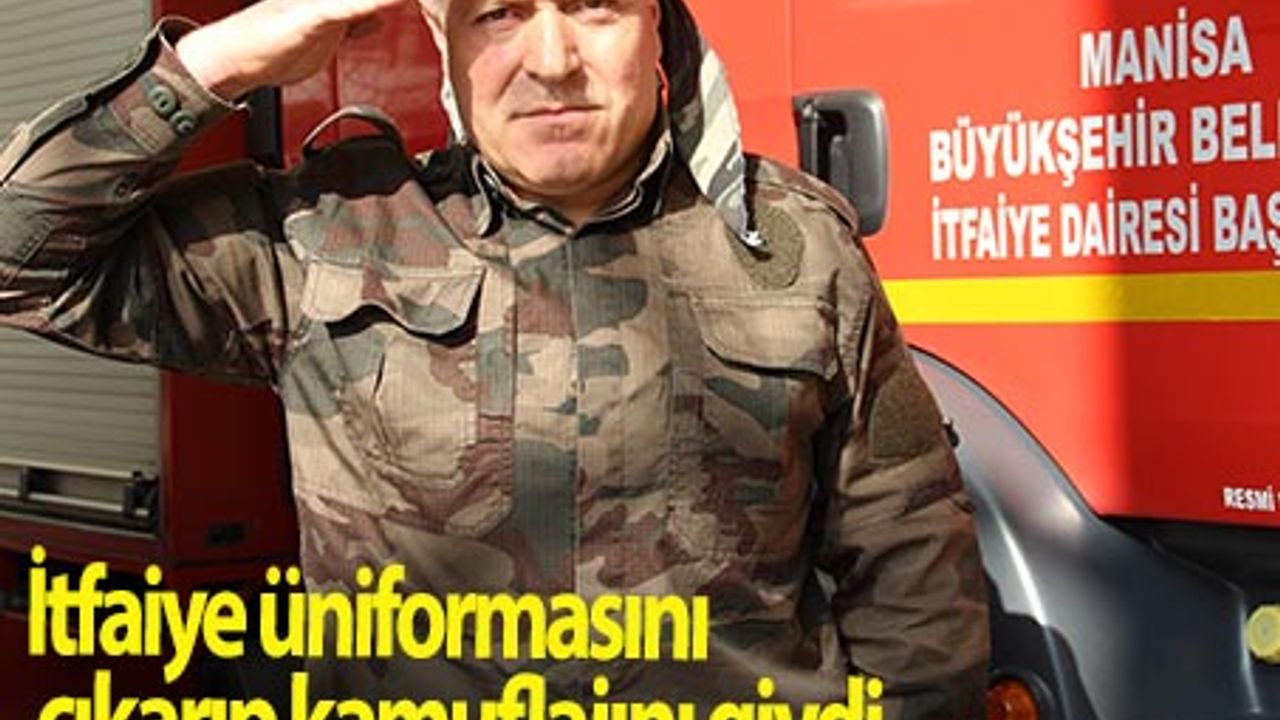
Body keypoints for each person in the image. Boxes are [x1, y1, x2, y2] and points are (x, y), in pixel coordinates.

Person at [0, 0, 988, 716]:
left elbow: (911, 562)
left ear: (660, 27)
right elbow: (19, 259)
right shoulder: (325, 237)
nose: (551, 60)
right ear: (443, 39)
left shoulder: (794, 247)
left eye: (594, 7)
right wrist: (215, 62)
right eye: (499, 13)